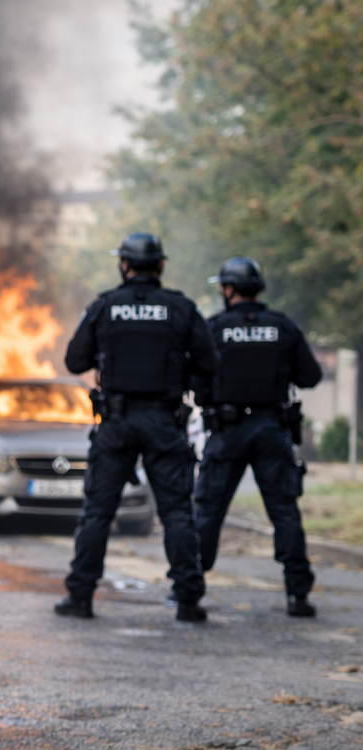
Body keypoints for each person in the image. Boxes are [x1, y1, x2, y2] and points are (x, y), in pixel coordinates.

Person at [55, 233, 220, 622]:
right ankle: (189, 600)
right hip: (164, 421)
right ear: (160, 265)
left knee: (97, 512)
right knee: (177, 512)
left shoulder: (105, 306)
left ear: (123, 265)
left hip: (115, 423)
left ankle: (80, 597)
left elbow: (75, 361)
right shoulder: (181, 308)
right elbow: (210, 363)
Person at [193, 257, 323, 617]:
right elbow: (309, 376)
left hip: (227, 431)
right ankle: (298, 594)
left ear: (228, 289)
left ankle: (190, 591)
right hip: (271, 429)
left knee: (207, 511)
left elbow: (193, 379)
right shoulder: (282, 326)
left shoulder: (215, 328)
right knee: (284, 511)